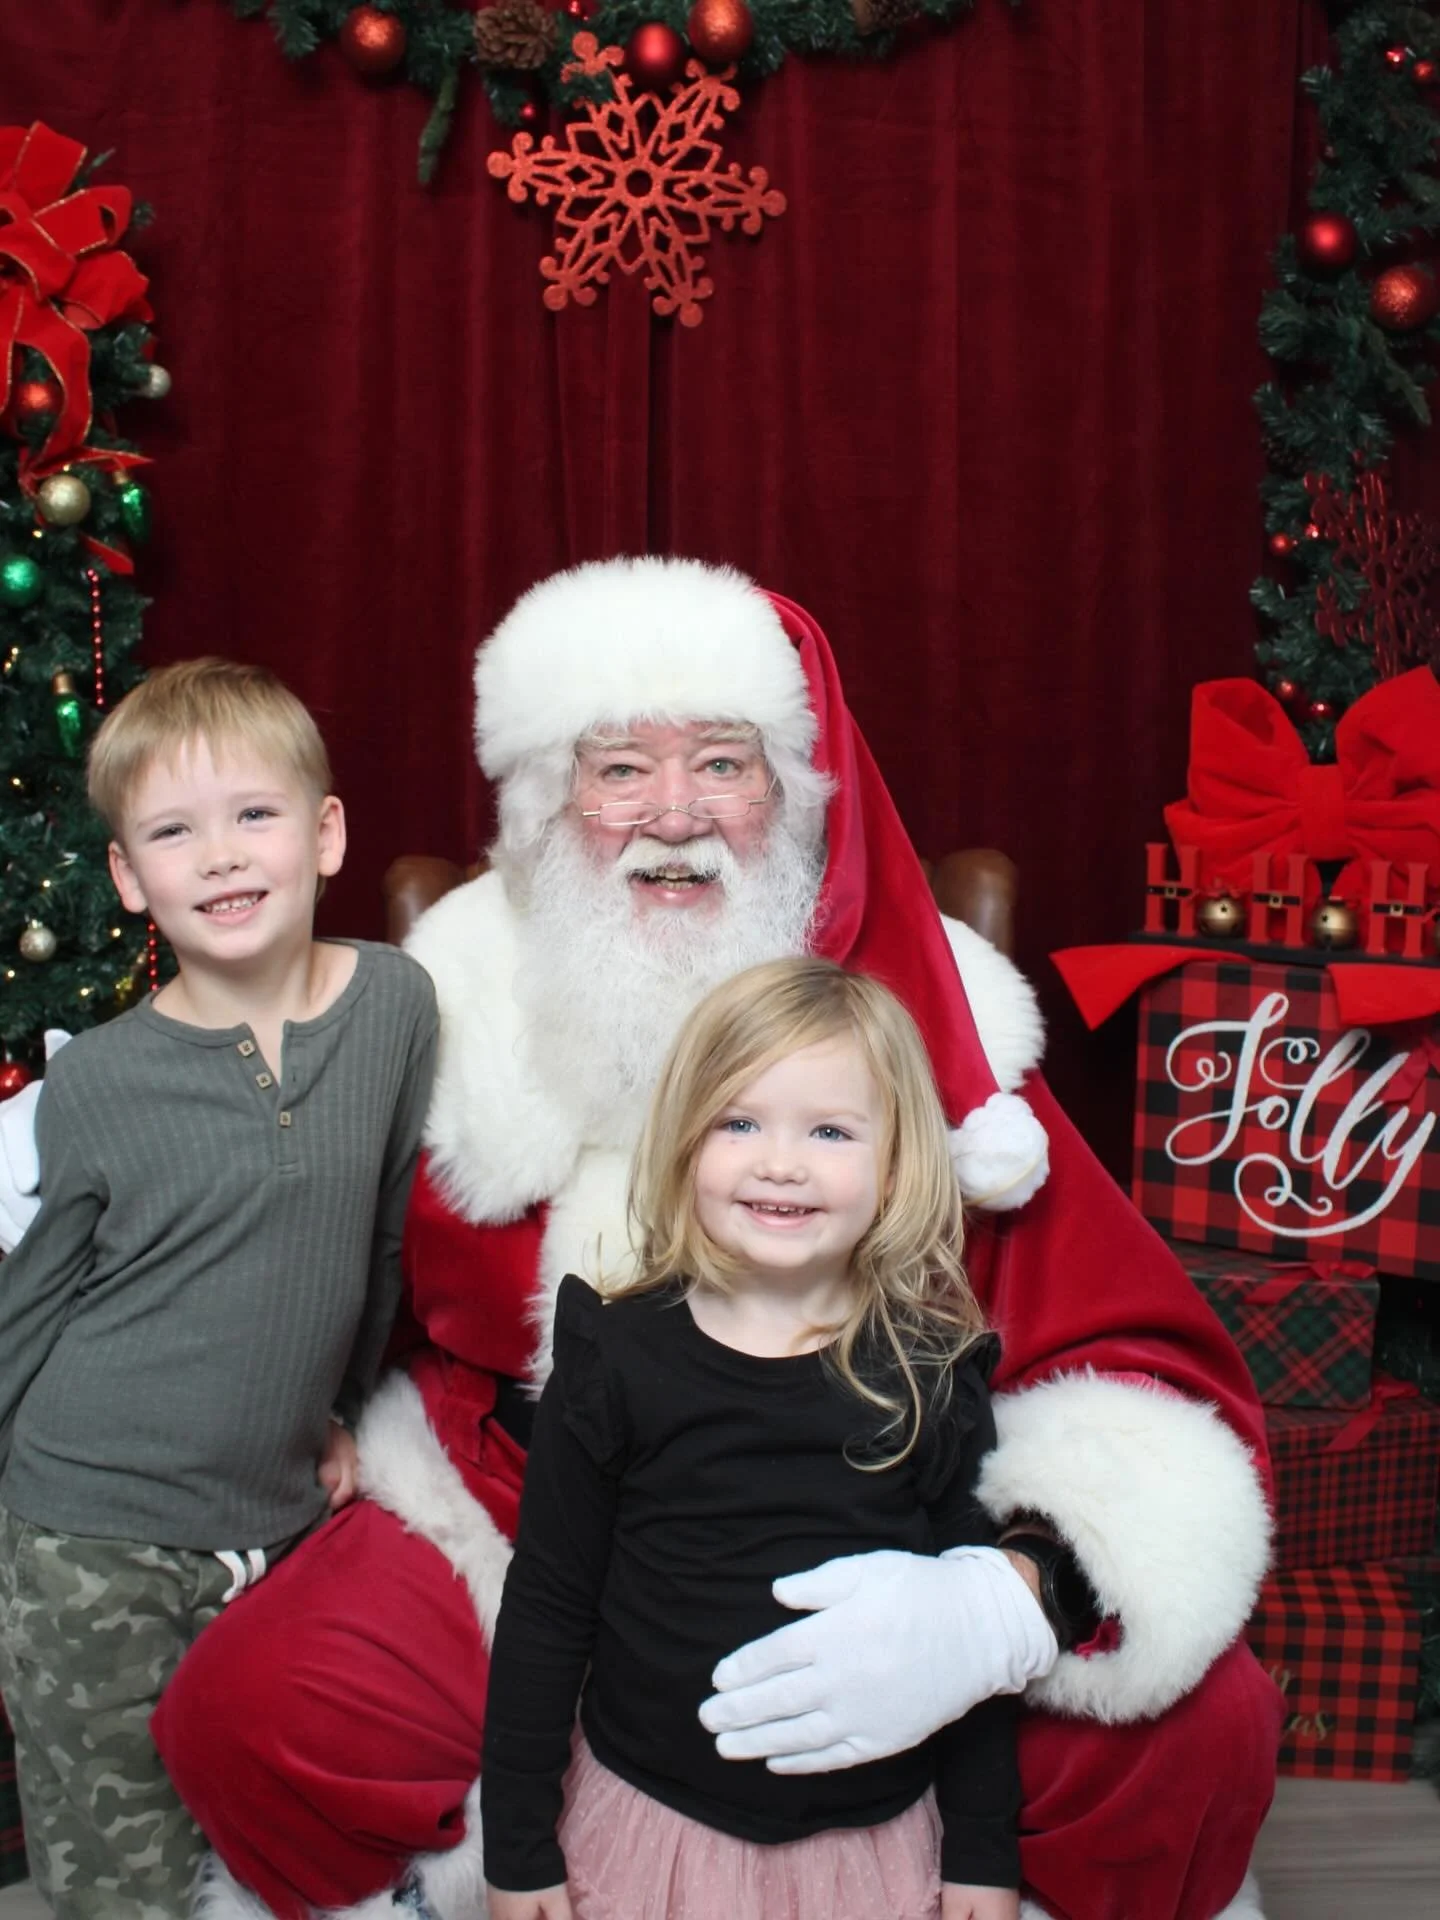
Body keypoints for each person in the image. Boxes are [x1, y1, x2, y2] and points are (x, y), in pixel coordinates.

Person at [7, 560, 1278, 1920]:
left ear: (793, 790)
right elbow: (289, 1233)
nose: (675, 818)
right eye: (621, 769)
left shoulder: (929, 1036)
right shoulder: (440, 1005)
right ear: (550, 796)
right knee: (255, 1710)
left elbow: (1141, 1371)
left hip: (861, 1527)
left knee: (1201, 1734)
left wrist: (1007, 1597)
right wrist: (281, 1416)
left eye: (723, 763)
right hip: (508, 1515)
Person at [0, 660, 438, 1920]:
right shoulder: (101, 1084)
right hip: (90, 1529)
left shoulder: (395, 1008)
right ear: (132, 879)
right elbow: (40, 1296)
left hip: (282, 1519)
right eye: (173, 832)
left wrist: (346, 1408)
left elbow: (383, 1240)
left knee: (271, 1849)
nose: (222, 857)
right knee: (121, 1867)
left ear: (326, 831)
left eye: (254, 814)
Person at [484, 956, 1022, 1920]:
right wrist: (517, 1849)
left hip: (869, 1841)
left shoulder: (931, 1375)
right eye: (740, 1123)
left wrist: (982, 1852)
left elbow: (969, 1636)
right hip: (654, 1823)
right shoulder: (615, 1358)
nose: (781, 1161)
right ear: (686, 1144)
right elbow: (548, 1607)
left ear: (895, 1164)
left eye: (828, 1130)